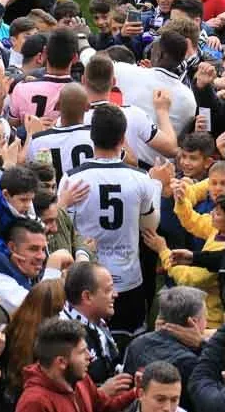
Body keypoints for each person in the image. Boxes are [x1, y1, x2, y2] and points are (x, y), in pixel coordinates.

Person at [60, 104, 165, 341]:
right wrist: (157, 186)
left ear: (91, 136)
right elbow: (150, 226)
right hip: (127, 279)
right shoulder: (140, 179)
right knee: (129, 343)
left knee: (85, 343)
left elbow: (60, 226)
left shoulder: (72, 179)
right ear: (122, 139)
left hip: (87, 282)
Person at [15, 318, 137, 412]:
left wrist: (136, 392)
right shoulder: (34, 403)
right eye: (82, 352)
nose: (89, 356)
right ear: (61, 362)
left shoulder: (80, 380)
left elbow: (103, 406)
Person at [122, 287, 204, 408]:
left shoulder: (137, 343)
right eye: (205, 318)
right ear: (194, 322)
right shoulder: (189, 362)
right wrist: (202, 346)